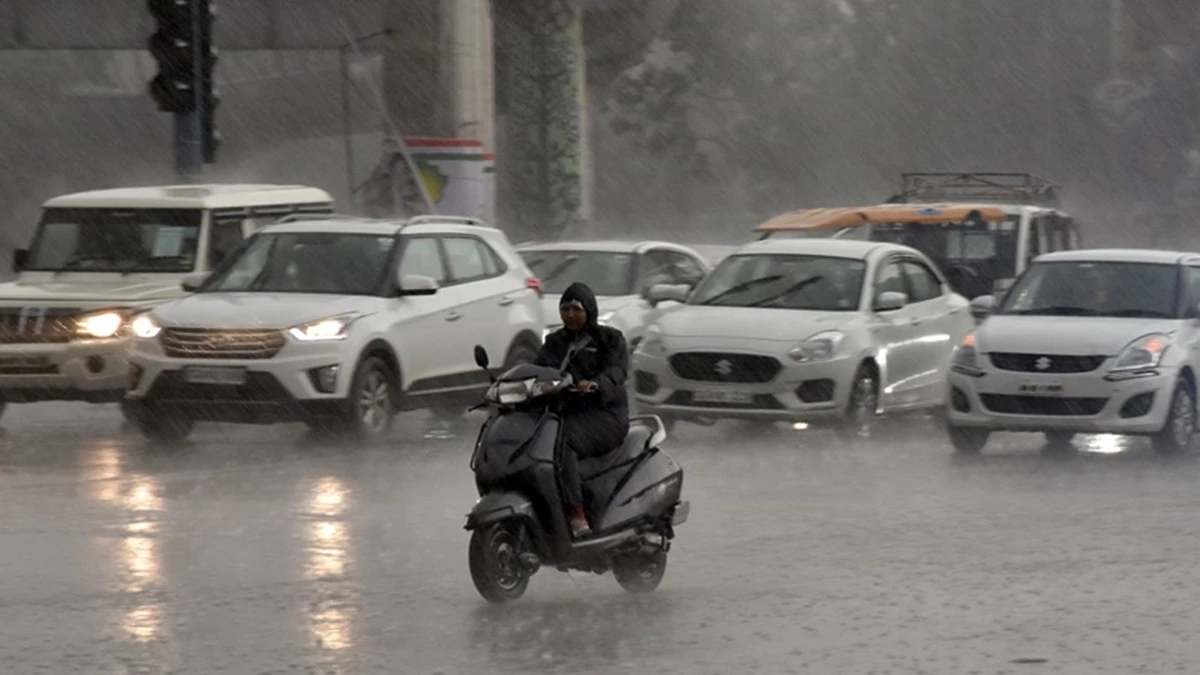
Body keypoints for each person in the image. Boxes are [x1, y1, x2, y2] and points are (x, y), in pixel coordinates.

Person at [535, 281, 630, 538]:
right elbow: (537, 369)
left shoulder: (609, 339)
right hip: (565, 413)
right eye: (565, 309)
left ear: (589, 309)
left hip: (605, 415)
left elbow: (616, 371)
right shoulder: (555, 342)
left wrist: (597, 385)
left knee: (561, 443)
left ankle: (577, 515)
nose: (570, 315)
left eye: (576, 309)